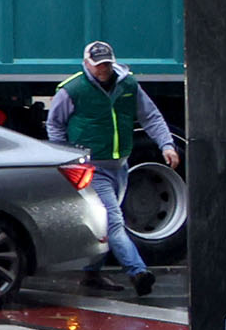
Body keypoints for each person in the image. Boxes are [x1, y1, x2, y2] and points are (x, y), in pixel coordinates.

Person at [45, 41, 180, 299]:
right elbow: (55, 124)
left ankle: (91, 273)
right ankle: (137, 272)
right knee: (113, 220)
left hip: (120, 165)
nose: (103, 69)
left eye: (106, 64)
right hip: (91, 167)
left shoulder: (128, 84)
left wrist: (166, 145)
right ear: (86, 64)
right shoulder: (72, 89)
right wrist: (66, 158)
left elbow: (150, 116)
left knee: (101, 222)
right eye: (97, 65)